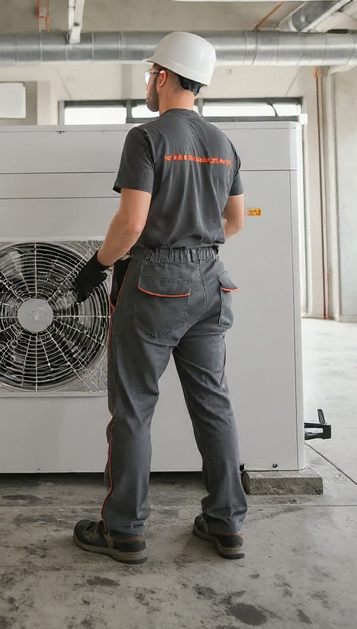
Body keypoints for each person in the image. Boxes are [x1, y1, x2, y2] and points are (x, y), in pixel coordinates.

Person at [70, 31, 249, 565]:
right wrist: (196, 238)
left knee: (133, 411)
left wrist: (96, 267)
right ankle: (227, 524)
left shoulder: (146, 138)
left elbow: (130, 224)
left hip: (153, 284)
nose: (149, 82)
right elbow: (235, 222)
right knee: (213, 405)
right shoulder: (224, 144)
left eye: (151, 73)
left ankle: (123, 530)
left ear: (164, 77)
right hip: (212, 282)